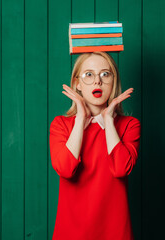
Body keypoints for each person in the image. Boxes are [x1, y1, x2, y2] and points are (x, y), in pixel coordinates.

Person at [49, 51, 141, 240]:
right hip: (70, 234)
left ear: (113, 82)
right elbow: (65, 170)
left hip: (115, 234)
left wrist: (108, 120)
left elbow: (120, 169)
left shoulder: (130, 125)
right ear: (77, 84)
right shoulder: (60, 125)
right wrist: (81, 118)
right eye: (89, 74)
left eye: (105, 74)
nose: (97, 81)